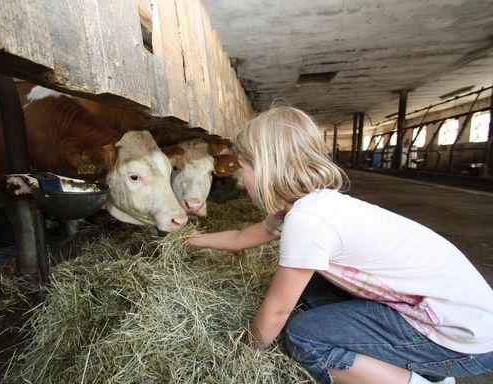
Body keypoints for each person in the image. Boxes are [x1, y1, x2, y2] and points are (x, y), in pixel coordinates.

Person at [186, 106, 493, 384]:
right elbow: (242, 238)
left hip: (460, 338)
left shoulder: (307, 221)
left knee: (304, 336)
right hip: (450, 311)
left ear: (268, 167)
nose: (240, 181)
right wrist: (194, 239)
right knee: (309, 285)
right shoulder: (310, 206)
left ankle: (423, 382)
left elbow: (277, 311)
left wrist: (243, 355)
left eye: (243, 168)